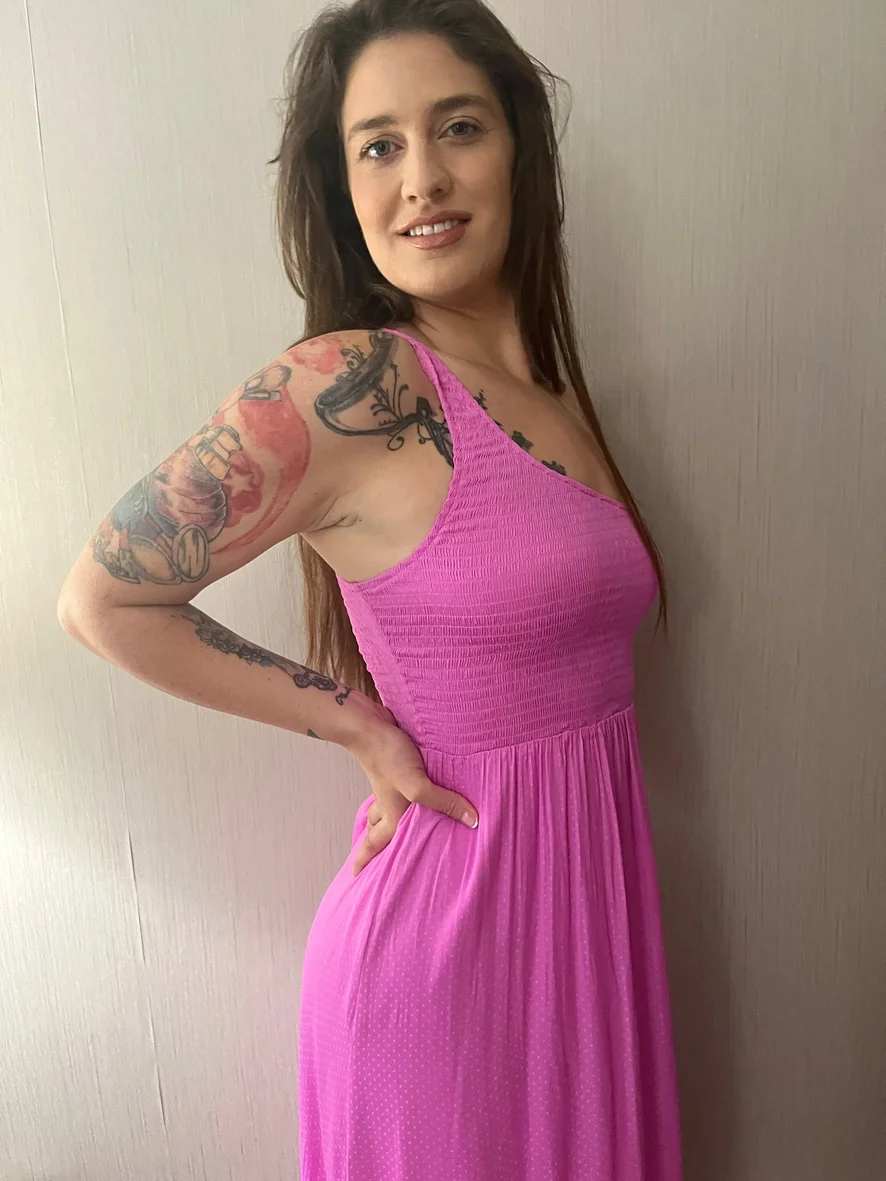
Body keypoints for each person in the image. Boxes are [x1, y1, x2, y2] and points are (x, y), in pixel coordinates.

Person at [57, 0, 683, 1176]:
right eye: (379, 145)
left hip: (585, 944)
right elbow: (103, 598)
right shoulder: (354, 382)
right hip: (445, 967)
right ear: (341, 188)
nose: (422, 178)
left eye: (459, 127)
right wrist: (355, 721)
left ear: (519, 151)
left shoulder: (551, 395)